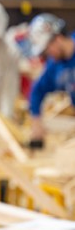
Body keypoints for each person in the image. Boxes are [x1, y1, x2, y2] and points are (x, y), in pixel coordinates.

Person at [28, 12, 75, 147]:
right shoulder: (55, 66)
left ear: (58, 38)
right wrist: (36, 120)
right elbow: (37, 91)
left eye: (47, 49)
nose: (48, 54)